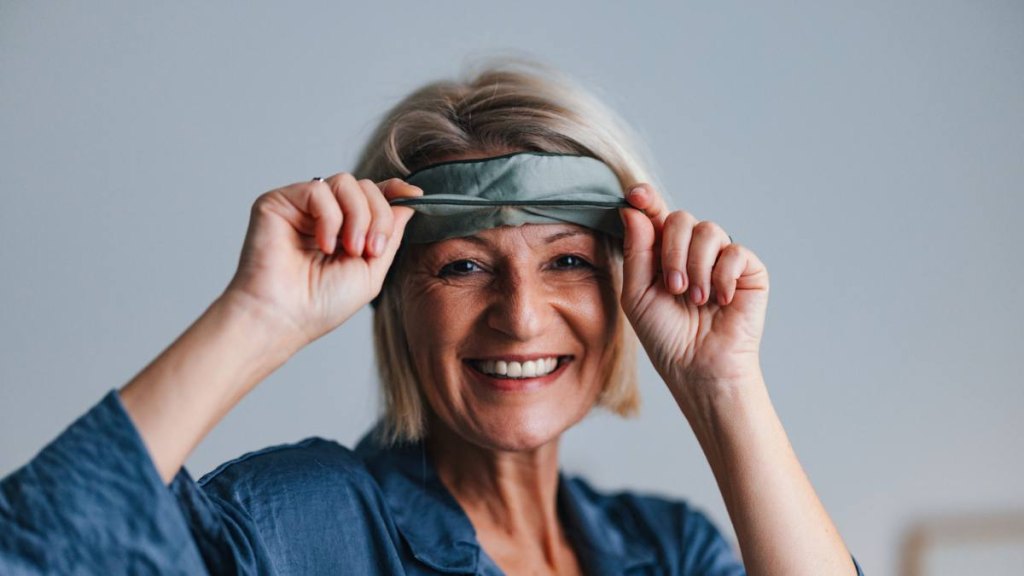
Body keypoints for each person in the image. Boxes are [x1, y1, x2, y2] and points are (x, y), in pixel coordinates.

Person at [0, 59, 864, 575]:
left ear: (627, 286)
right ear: (393, 300)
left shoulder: (669, 549)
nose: (520, 317)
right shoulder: (306, 524)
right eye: (462, 267)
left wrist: (724, 387)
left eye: (567, 261)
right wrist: (257, 315)